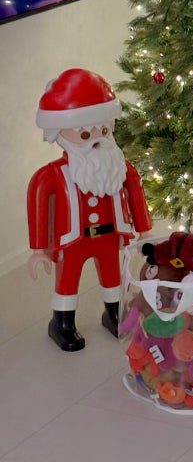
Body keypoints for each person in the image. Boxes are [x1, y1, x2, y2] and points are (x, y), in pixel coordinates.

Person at [27, 69, 153, 352]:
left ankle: (114, 314)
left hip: (109, 236)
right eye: (85, 133)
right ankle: (62, 323)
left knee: (112, 276)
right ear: (59, 132)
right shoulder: (52, 174)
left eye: (104, 130)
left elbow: (135, 193)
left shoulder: (119, 167)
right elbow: (37, 204)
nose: (97, 138)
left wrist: (144, 230)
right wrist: (38, 249)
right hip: (73, 241)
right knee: (67, 281)